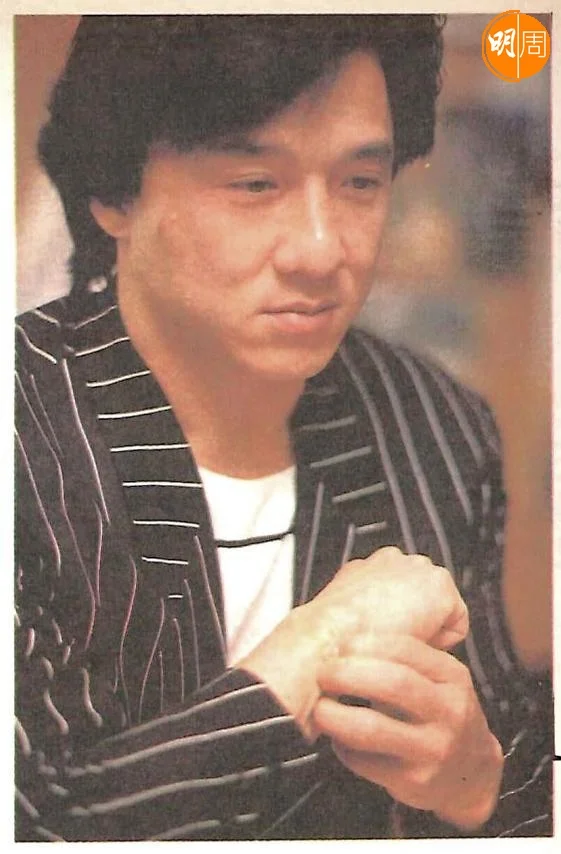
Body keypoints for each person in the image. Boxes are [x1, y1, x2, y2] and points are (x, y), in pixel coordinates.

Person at [15, 14, 552, 842]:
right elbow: (32, 818)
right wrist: (312, 648)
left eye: (359, 183)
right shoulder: (24, 424)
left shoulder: (435, 425)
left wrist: (478, 785)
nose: (319, 250)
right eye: (254, 185)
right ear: (114, 195)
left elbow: (518, 769)